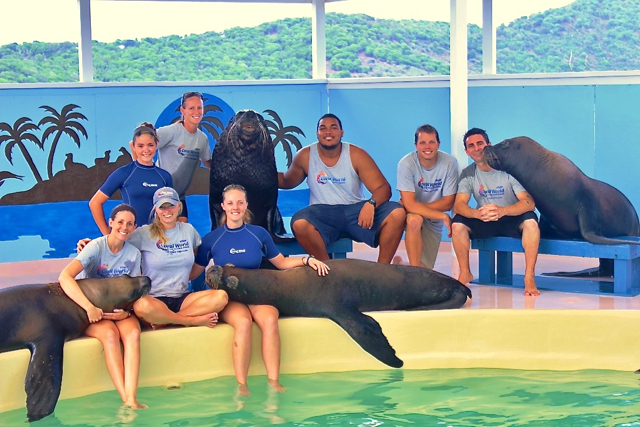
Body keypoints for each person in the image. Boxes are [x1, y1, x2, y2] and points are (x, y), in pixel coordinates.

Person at [192, 184, 330, 397]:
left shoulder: (259, 234)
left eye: (239, 202)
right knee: (244, 323)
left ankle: (274, 381)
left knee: (269, 320)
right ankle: (242, 385)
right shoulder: (212, 239)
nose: (235, 207)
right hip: (231, 297)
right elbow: (195, 272)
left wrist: (308, 259)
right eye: (230, 203)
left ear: (246, 205)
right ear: (223, 206)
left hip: (256, 293)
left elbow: (281, 262)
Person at [81, 187, 228, 328]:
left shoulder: (188, 231)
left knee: (221, 297)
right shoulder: (144, 233)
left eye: (170, 205)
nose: (167, 211)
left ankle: (166, 321)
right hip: (153, 299)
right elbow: (116, 241)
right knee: (141, 306)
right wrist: (90, 245)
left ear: (178, 206)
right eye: (162, 207)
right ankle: (188, 321)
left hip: (183, 297)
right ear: (156, 210)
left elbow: (197, 253)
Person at [278, 113, 406, 263]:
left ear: (341, 132)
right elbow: (287, 181)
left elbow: (383, 188)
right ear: (317, 133)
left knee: (397, 214)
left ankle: (383, 269)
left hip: (355, 212)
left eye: (333, 127)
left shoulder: (357, 154)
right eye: (323, 128)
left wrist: (371, 204)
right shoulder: (305, 155)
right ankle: (328, 271)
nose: (328, 132)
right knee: (299, 223)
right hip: (322, 213)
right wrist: (259, 169)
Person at [59, 204, 146, 410]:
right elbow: (65, 277)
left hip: (117, 311)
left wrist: (126, 313)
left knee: (133, 334)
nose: (124, 227)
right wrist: (89, 308)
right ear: (111, 223)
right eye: (120, 222)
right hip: (91, 311)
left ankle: (132, 397)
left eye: (130, 224)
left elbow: (132, 291)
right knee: (109, 336)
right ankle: (126, 398)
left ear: (135, 227)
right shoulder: (95, 247)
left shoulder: (134, 254)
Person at [451, 128, 540, 296]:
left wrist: (503, 210)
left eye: (480, 144)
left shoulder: (507, 170)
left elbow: (528, 203)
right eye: (471, 146)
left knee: (531, 222)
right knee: (457, 224)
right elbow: (459, 205)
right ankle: (465, 272)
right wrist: (477, 214)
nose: (476, 148)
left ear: (489, 145)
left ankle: (529, 277)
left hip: (510, 218)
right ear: (467, 151)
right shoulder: (468, 174)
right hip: (485, 219)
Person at [130, 92, 212, 223]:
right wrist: (141, 172)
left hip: (179, 196)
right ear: (182, 110)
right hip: (159, 194)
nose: (196, 111)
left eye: (199, 108)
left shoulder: (202, 139)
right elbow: (136, 142)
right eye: (191, 108)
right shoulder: (171, 132)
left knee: (183, 232)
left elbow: (208, 162)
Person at [90, 122, 173, 235]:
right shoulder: (124, 173)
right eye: (140, 146)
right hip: (131, 240)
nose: (146, 150)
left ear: (156, 145)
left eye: (150, 145)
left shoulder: (164, 176)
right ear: (133, 147)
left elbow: (171, 210)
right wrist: (108, 236)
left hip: (158, 240)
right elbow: (95, 203)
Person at [396, 124, 459, 268]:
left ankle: (400, 265)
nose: (427, 147)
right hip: (415, 216)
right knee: (414, 220)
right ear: (416, 145)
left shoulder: (449, 163)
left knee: (425, 269)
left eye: (431, 142)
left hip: (432, 218)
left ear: (438, 144)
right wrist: (443, 216)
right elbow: (410, 206)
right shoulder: (406, 164)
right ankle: (414, 274)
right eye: (422, 143)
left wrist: (414, 206)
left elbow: (448, 203)